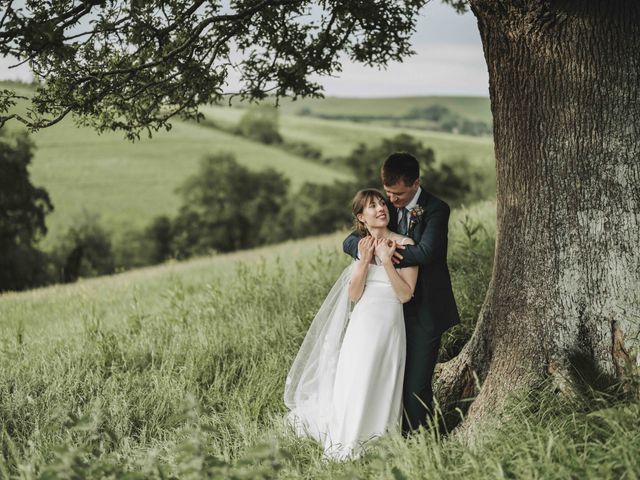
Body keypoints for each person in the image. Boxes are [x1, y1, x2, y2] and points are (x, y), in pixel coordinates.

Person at [285, 188, 418, 460]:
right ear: (361, 217)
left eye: (382, 203)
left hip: (390, 325)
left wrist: (386, 261)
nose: (381, 208)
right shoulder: (360, 247)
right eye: (372, 206)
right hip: (362, 325)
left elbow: (405, 294)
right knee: (355, 380)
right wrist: (366, 260)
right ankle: (346, 443)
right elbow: (354, 294)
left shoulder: (406, 244)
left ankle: (379, 443)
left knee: (382, 380)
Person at [343, 152, 460, 433]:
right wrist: (366, 253)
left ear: (416, 183)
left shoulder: (436, 209)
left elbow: (426, 252)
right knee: (385, 376)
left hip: (425, 308)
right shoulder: (386, 207)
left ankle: (421, 439)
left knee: (415, 384)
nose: (391, 201)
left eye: (398, 194)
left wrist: (387, 253)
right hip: (387, 312)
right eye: (387, 194)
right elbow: (350, 240)